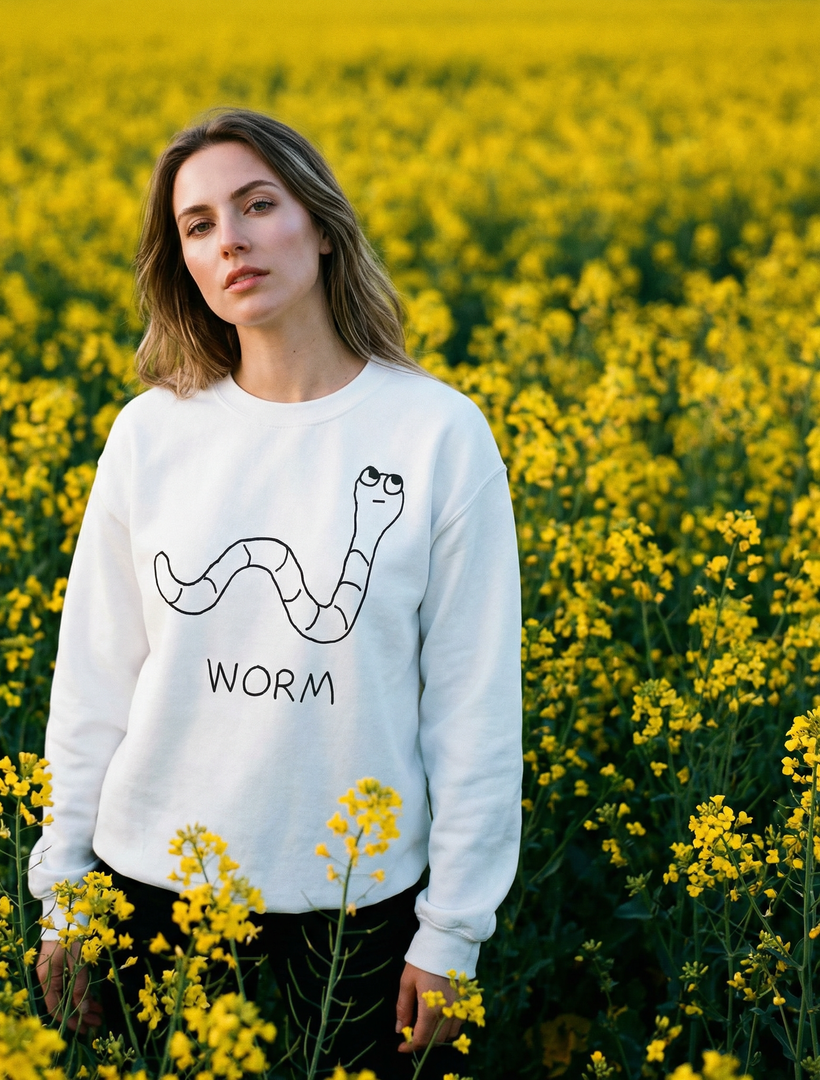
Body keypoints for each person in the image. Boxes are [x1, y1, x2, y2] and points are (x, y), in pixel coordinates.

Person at [30, 108, 522, 1078]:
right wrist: (66, 897)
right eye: (200, 224)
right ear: (183, 261)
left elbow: (472, 705)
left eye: (259, 205)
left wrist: (453, 930)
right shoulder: (150, 433)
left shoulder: (437, 433)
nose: (233, 240)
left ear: (323, 224)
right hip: (150, 891)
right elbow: (92, 687)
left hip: (357, 907)